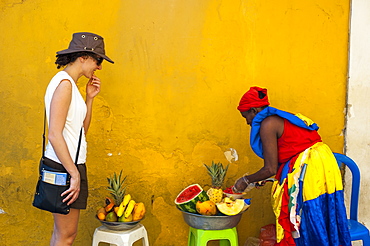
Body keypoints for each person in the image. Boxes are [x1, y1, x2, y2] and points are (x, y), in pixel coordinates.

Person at [232, 86, 351, 246]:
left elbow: (270, 169)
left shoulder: (267, 124)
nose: (247, 122)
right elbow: (287, 154)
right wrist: (259, 180)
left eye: (245, 116)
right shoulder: (277, 119)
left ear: (254, 110)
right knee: (320, 215)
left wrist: (245, 181)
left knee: (306, 220)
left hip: (310, 169)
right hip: (322, 163)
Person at [43, 32, 114, 246]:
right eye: (98, 60)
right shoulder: (64, 85)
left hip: (69, 165)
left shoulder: (70, 85)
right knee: (67, 235)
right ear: (83, 57)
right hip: (64, 167)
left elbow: (81, 131)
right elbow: (54, 133)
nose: (99, 67)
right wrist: (73, 174)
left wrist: (89, 99)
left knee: (61, 234)